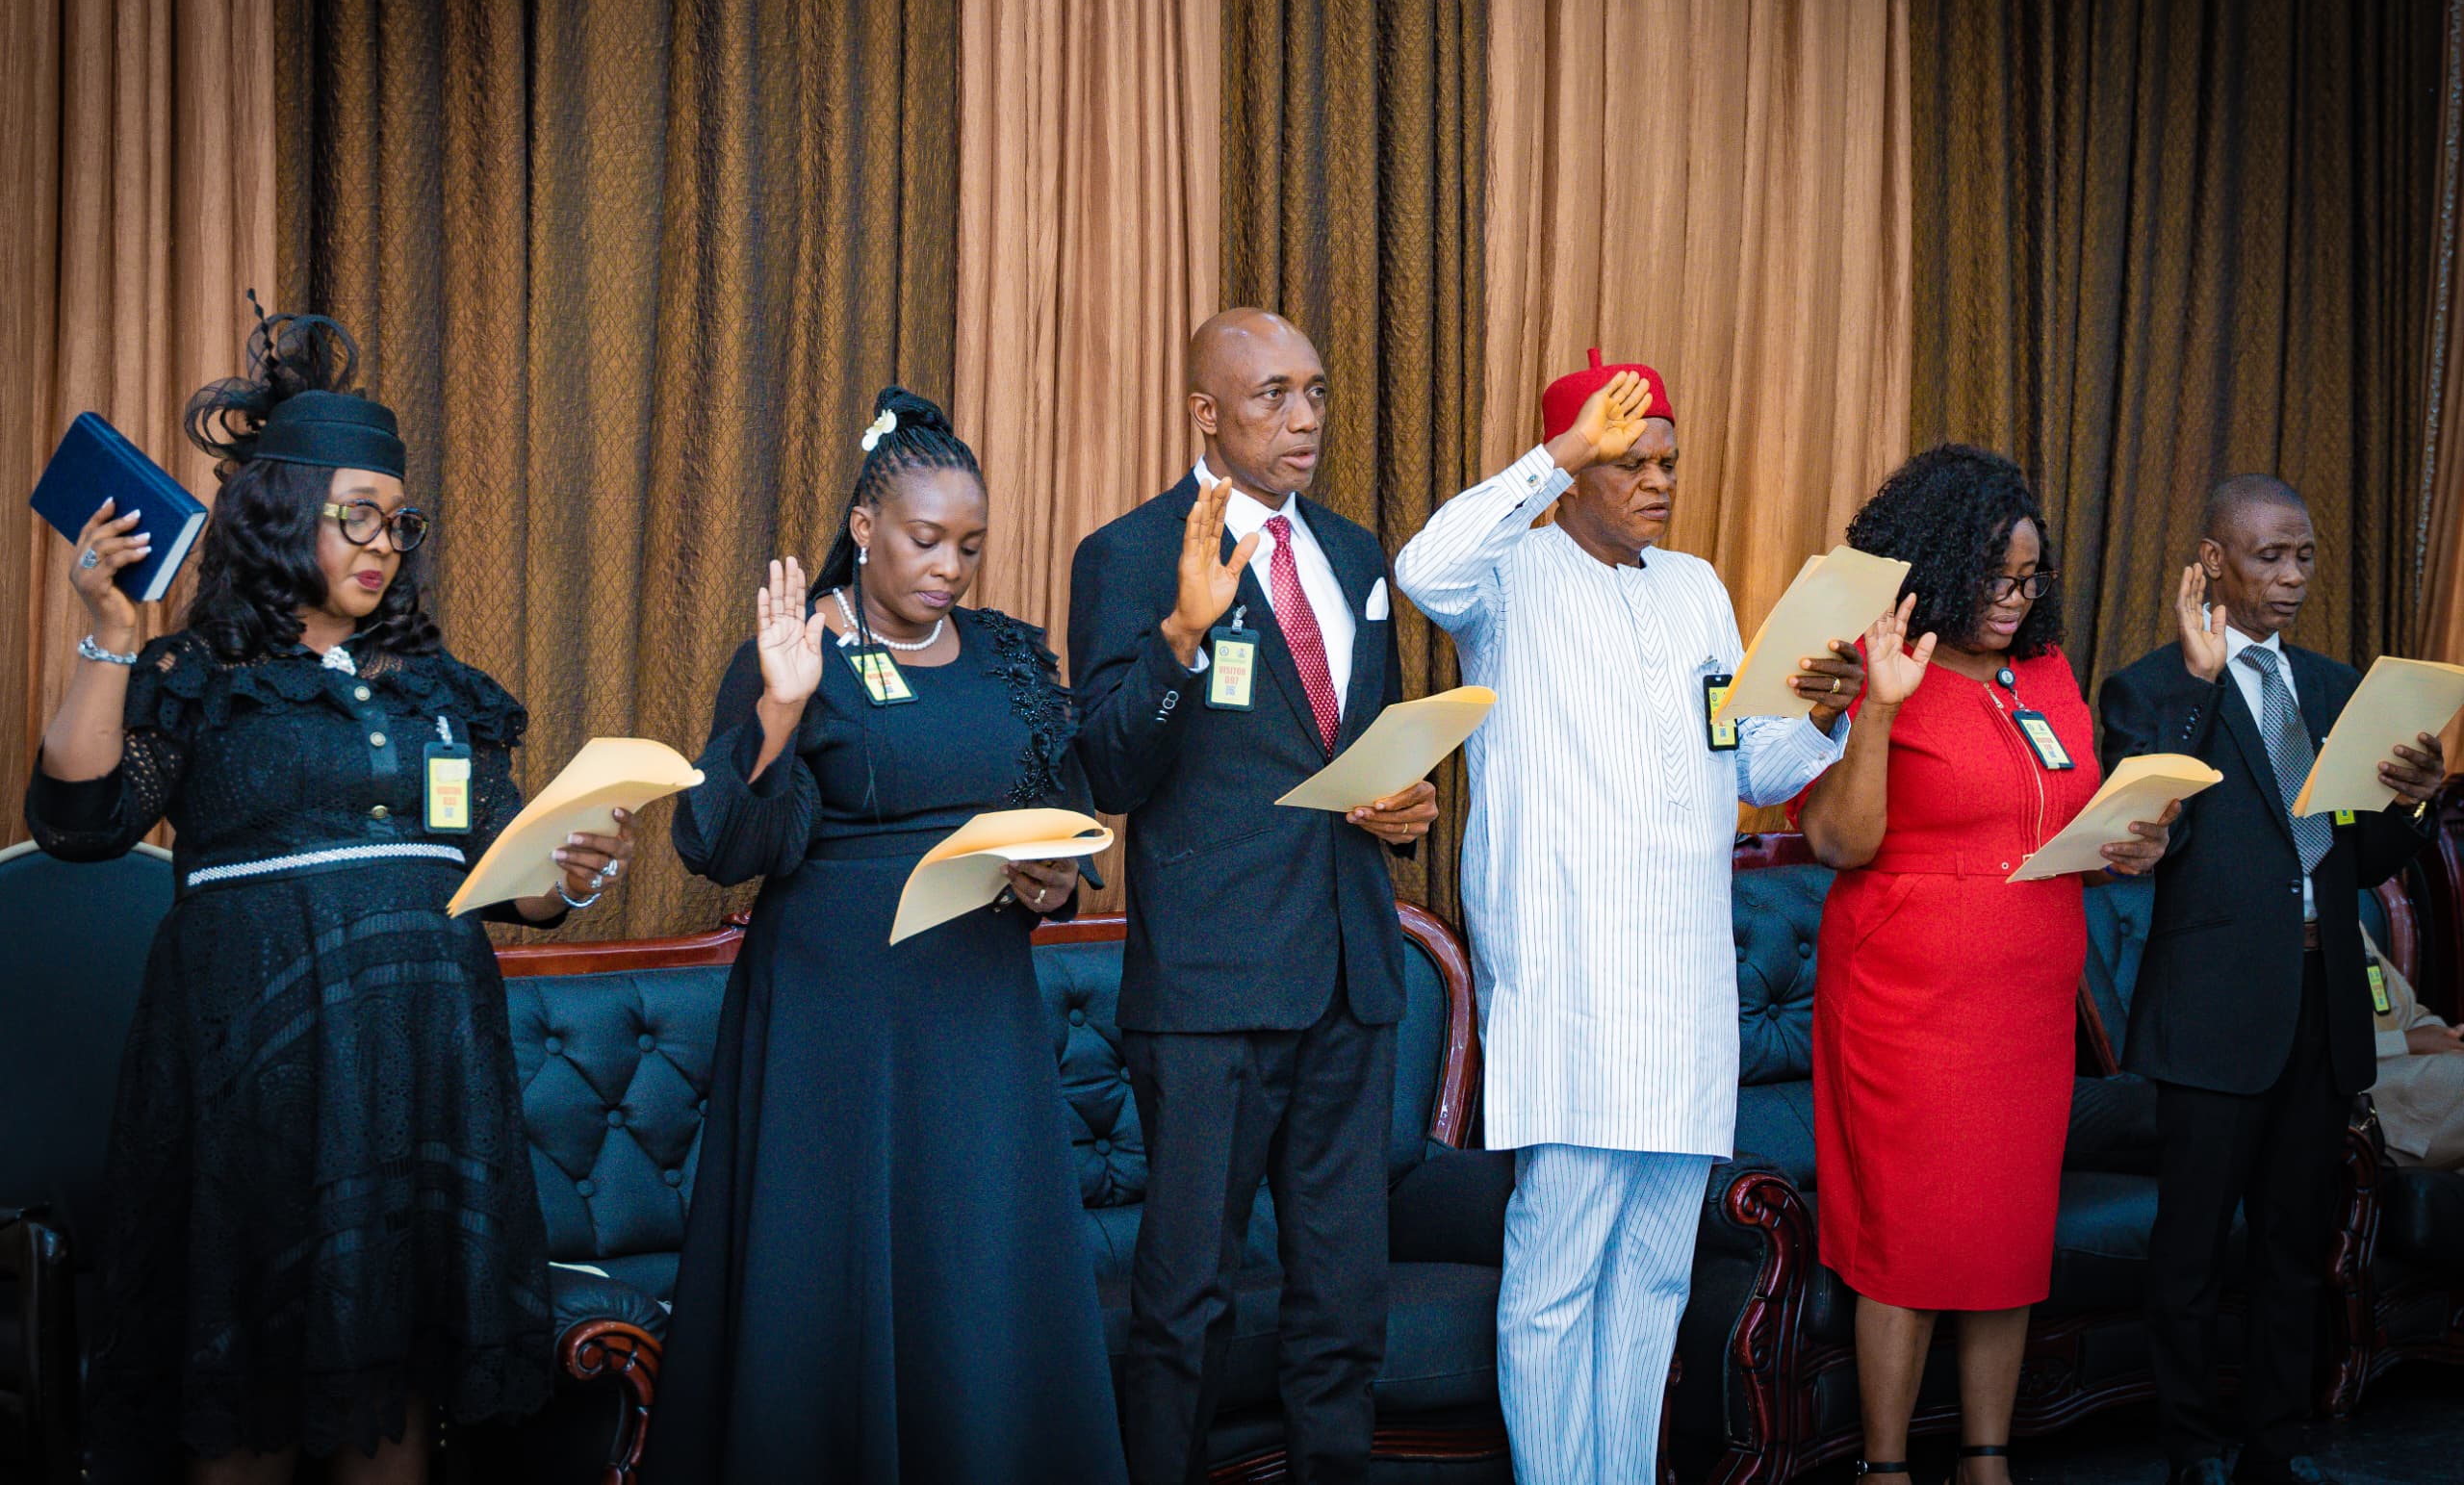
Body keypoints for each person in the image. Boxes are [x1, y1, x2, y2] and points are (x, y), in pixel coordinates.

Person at [23, 303, 633, 1485]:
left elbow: (509, 876)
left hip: (423, 1068)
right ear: (281, 514)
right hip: (254, 1075)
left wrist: (573, 873)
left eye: (399, 522)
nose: (384, 543)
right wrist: (108, 632)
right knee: (251, 1379)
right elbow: (81, 825)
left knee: (392, 1381)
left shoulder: (437, 693)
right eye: (356, 515)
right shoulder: (200, 677)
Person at [1392, 349, 1863, 1485]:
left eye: (1666, 461)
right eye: (1629, 461)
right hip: (1570, 976)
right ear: (1572, 470)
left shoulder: (1696, 585)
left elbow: (1747, 756)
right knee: (1556, 1274)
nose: (1657, 482)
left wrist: (1821, 715)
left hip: (1683, 978)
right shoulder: (1507, 576)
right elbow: (1421, 564)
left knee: (1652, 1272)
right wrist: (1554, 456)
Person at [643, 388, 1125, 1484]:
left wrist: (1054, 882)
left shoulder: (1008, 659)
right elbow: (718, 843)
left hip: (977, 1018)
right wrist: (777, 710)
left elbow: (1066, 819)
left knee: (974, 1270)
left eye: (969, 545)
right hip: (832, 1022)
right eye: (924, 539)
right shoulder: (795, 647)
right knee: (829, 1277)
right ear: (864, 529)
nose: (948, 566)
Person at [1067, 309, 1436, 1485]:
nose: (1306, 419)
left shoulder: (1357, 554)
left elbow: (1361, 747)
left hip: (1349, 975)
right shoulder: (1125, 557)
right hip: (1212, 993)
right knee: (1184, 1307)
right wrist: (1182, 635)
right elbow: (1112, 771)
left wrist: (1406, 809)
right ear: (1205, 413)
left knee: (1343, 1307)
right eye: (1272, 395)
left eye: (1315, 392)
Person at [1794, 445, 2172, 1485]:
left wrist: (2127, 844)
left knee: (2008, 1231)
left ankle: (1987, 1461)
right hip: (1906, 995)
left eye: (2029, 577)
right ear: (1935, 565)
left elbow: (2061, 814)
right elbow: (1838, 841)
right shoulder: (1866, 663)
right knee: (1910, 1236)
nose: (2013, 599)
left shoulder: (2043, 671)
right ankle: (1882, 1468)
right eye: (1993, 577)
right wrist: (1875, 704)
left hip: (2028, 994)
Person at [2098, 474, 2445, 1485]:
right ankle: (2188, 1449)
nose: (2291, 577)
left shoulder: (2337, 690)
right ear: (2212, 561)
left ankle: (2274, 1446)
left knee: (2298, 1246)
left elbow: (2364, 862)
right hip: (2211, 1013)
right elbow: (2151, 836)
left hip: (2317, 1004)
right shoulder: (2151, 689)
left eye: (2301, 557)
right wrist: (2204, 690)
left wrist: (2412, 807)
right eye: (2267, 557)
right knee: (2193, 1251)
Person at [2361, 935, 2464, 1171]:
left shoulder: (2346, 919)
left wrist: (2446, 1038)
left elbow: (2410, 1015)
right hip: (2357, 1095)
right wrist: (2405, 1042)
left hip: (2414, 1076)